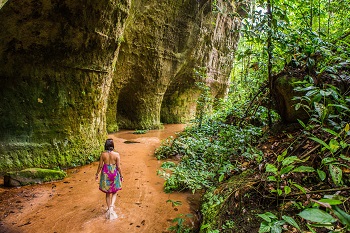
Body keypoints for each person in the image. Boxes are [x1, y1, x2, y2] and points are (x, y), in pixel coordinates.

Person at [95, 138, 123, 219]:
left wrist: (97, 174)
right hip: (114, 173)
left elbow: (100, 166)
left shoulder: (103, 154)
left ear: (106, 146)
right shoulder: (117, 154)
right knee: (115, 191)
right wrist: (121, 175)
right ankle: (111, 206)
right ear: (112, 145)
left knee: (107, 193)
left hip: (105, 174)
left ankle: (108, 209)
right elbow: (118, 167)